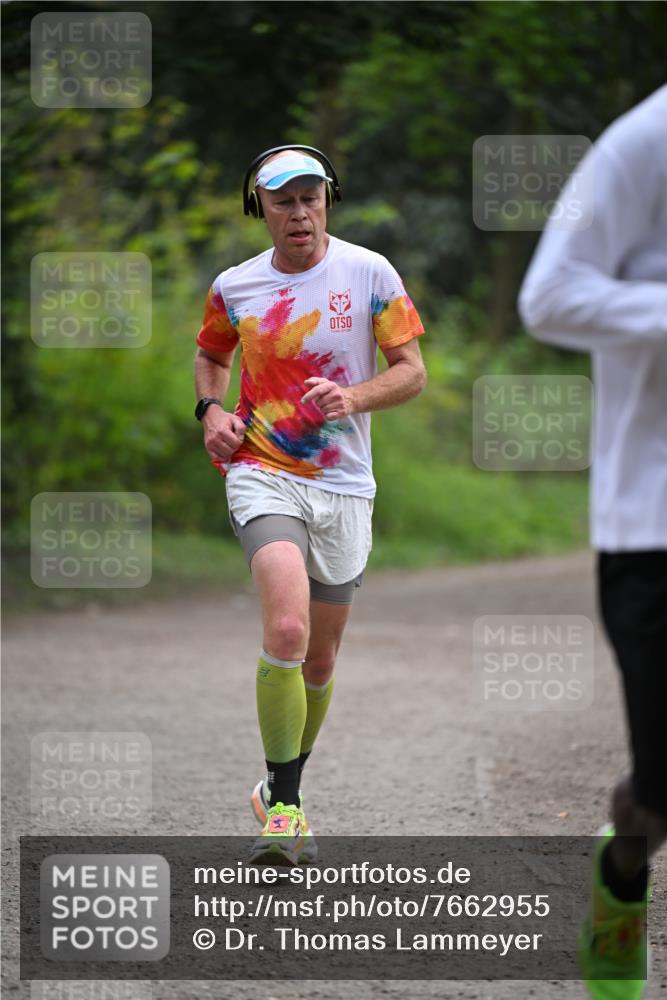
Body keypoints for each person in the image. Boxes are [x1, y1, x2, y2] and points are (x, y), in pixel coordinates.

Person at [194, 146, 426, 865]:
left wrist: (352, 397)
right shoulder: (235, 286)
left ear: (328, 200)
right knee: (288, 628)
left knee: (320, 661)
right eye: (283, 201)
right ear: (258, 208)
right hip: (262, 470)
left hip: (345, 485)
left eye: (310, 198)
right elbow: (212, 355)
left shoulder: (370, 273)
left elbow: (412, 373)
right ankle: (287, 811)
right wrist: (210, 411)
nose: (299, 213)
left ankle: (276, 788)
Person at [519, 86, 667, 999]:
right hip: (653, 520)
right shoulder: (642, 142)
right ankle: (624, 866)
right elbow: (548, 295)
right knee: (661, 789)